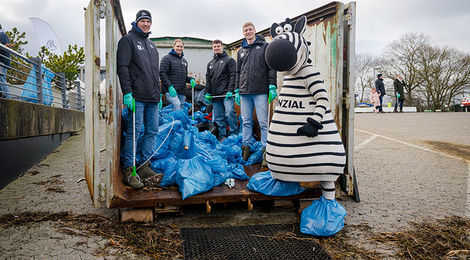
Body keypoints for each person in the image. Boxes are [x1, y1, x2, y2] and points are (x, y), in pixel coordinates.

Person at [117, 10, 162, 189]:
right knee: (135, 132)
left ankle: (144, 165)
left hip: (152, 97)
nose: (146, 24)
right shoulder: (127, 40)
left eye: (148, 21)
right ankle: (130, 168)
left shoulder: (151, 45)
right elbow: (123, 67)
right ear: (136, 22)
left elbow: (154, 74)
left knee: (152, 130)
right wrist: (127, 92)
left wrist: (158, 94)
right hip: (137, 96)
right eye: (143, 21)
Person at [235, 22, 277, 164]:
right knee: (246, 121)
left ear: (255, 31)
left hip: (260, 91)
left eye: (250, 29)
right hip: (244, 92)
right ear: (243, 33)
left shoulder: (265, 47)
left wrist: (272, 85)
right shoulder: (241, 51)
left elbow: (271, 67)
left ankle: (266, 151)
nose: (248, 32)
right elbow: (238, 72)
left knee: (263, 122)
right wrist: (236, 89)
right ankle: (245, 149)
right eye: (245, 30)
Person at [204, 39, 238, 141]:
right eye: (214, 47)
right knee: (218, 117)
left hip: (227, 94)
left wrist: (230, 90)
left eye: (218, 46)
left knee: (229, 112)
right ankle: (222, 136)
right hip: (215, 95)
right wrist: (207, 92)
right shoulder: (210, 63)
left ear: (222, 47)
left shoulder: (230, 60)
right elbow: (208, 79)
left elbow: (233, 76)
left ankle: (233, 135)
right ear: (212, 48)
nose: (216, 48)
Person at [160, 39, 196, 112]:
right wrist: (169, 86)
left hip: (181, 90)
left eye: (181, 46)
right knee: (177, 104)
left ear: (183, 48)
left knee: (181, 107)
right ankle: (174, 122)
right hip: (170, 90)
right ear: (173, 47)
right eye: (177, 46)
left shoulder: (184, 61)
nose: (179, 48)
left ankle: (179, 123)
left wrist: (191, 79)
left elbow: (184, 77)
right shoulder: (166, 58)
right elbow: (162, 73)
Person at [0, 24, 13, 99]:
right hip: (3, 61)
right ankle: (5, 96)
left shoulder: (2, 35)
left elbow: (4, 47)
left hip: (2, 62)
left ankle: (8, 98)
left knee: (1, 79)